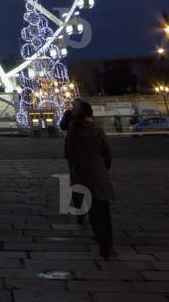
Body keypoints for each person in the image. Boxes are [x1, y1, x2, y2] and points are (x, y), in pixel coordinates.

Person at [65, 100, 116, 258]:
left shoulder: (73, 130)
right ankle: (107, 245)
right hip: (99, 172)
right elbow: (107, 151)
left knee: (92, 209)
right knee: (104, 211)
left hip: (82, 172)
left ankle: (100, 239)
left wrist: (74, 166)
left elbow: (69, 152)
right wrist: (104, 166)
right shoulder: (98, 129)